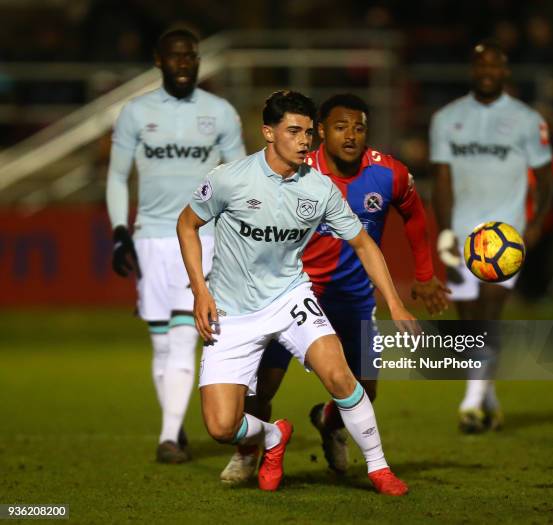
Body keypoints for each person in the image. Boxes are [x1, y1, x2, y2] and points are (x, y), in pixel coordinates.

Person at [177, 90, 412, 495]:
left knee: (341, 376)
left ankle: (379, 467)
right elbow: (187, 225)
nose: (305, 141)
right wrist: (200, 290)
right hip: (231, 312)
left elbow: (363, 243)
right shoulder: (229, 179)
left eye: (308, 132)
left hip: (290, 298)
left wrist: (394, 302)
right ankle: (272, 436)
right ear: (268, 133)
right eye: (294, 131)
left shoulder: (319, 189)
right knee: (220, 427)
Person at [220, 93, 450, 483]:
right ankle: (247, 452)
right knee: (264, 383)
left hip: (354, 297)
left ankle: (329, 422)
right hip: (292, 292)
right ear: (322, 131)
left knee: (364, 391)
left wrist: (425, 274)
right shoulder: (296, 169)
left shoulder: (388, 174)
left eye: (359, 128)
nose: (351, 136)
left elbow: (414, 215)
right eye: (340, 127)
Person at [105, 28, 246, 462]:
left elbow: (240, 176)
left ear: (199, 61)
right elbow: (115, 176)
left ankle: (167, 436)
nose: (184, 63)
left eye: (191, 57)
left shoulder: (220, 112)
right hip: (150, 238)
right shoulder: (135, 112)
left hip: (201, 237)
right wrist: (118, 232)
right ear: (158, 60)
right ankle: (174, 419)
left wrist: (237, 231)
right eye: (176, 56)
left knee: (186, 336)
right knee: (162, 342)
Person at [430, 40, 553, 433]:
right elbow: (443, 180)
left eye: (494, 66)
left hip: (506, 235)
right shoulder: (447, 118)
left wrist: (534, 225)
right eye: (480, 65)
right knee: (468, 321)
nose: (487, 72)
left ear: (505, 72)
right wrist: (445, 230)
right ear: (473, 70)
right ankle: (487, 397)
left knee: (490, 310)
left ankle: (469, 404)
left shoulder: (527, 120)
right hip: (462, 232)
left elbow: (546, 179)